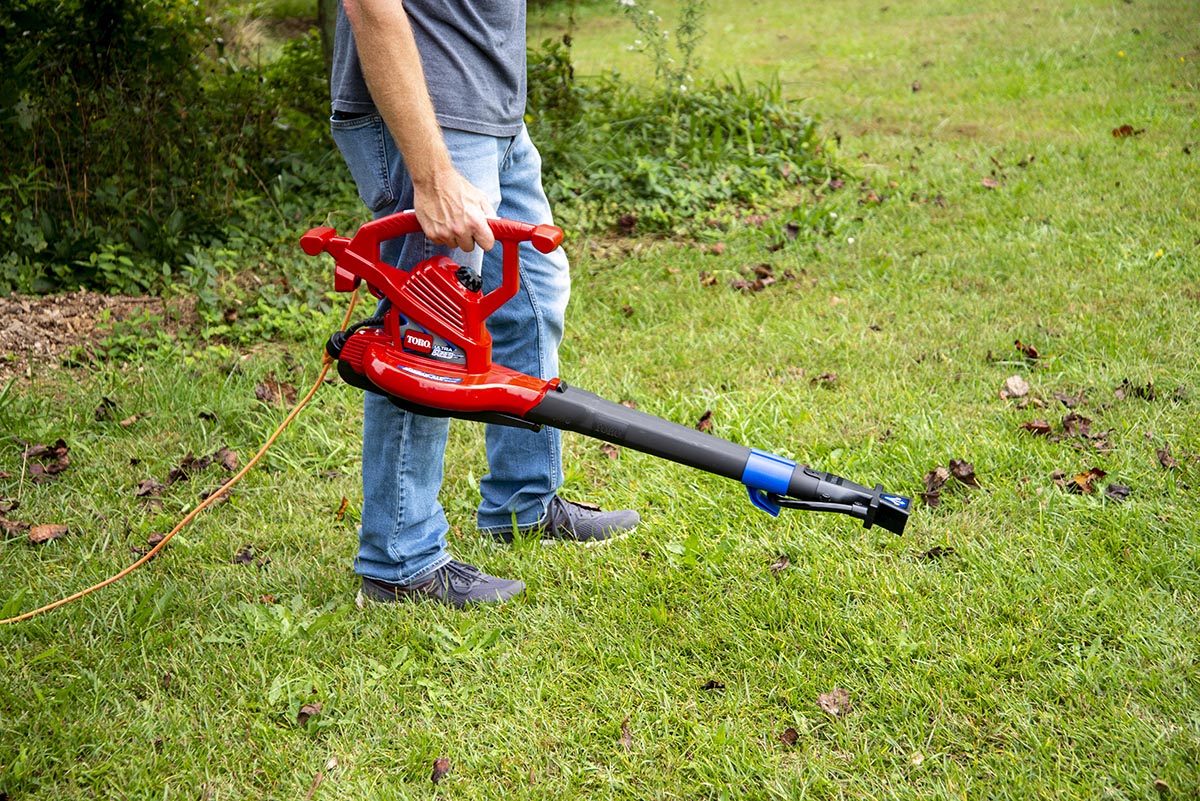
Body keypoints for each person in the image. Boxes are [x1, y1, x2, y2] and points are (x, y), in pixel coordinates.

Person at [329, 0, 639, 608]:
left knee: (531, 299)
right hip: (432, 119)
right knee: (425, 338)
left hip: (490, 111)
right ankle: (399, 561)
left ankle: (524, 501)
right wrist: (431, 175)